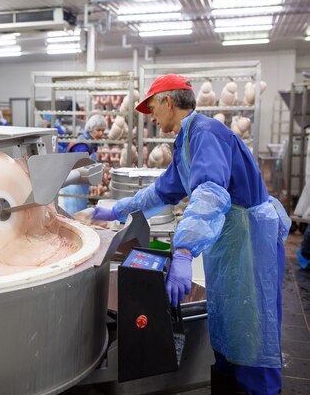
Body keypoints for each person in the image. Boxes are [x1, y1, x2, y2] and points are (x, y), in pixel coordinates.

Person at [76, 74, 291, 395]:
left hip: (248, 242)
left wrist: (185, 251)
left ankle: (258, 389)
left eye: (152, 108)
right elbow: (164, 190)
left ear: (168, 101)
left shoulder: (205, 133)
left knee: (251, 329)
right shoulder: (187, 139)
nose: (151, 116)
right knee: (230, 322)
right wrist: (116, 210)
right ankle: (230, 382)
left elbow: (210, 194)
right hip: (229, 240)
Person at [60, 113, 107, 215]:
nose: (101, 134)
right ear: (90, 129)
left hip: (81, 185)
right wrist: (97, 182)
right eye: (98, 130)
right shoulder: (82, 145)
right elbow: (81, 169)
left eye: (103, 130)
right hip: (73, 186)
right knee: (73, 217)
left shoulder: (91, 143)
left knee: (79, 216)